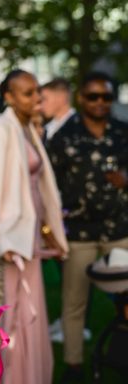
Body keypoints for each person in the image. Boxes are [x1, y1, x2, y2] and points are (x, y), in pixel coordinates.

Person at [0, 69, 69, 384]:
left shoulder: (27, 129)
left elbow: (41, 188)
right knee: (10, 319)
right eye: (27, 93)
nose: (36, 99)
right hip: (7, 245)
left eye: (37, 93)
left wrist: (50, 232)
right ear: (9, 97)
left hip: (28, 241)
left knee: (32, 314)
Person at [47, 71, 128, 383]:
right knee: (74, 301)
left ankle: (120, 355)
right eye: (93, 96)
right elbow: (48, 185)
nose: (99, 102)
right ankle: (74, 364)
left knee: (126, 301)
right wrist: (49, 230)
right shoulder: (63, 136)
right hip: (79, 232)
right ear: (81, 98)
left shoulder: (123, 131)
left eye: (105, 97)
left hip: (118, 229)